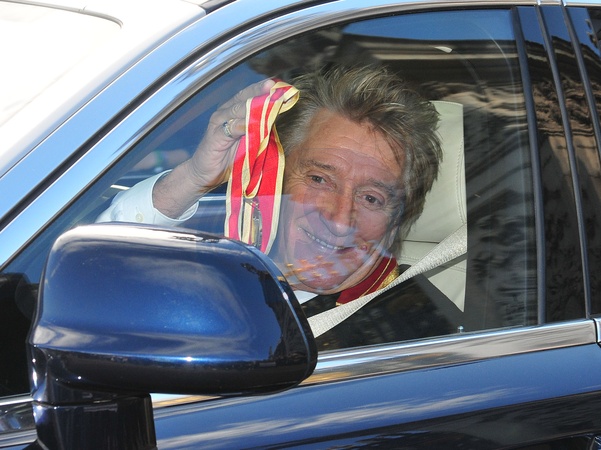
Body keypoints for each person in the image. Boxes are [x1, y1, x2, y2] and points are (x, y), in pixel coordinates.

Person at [98, 65, 462, 349]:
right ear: (273, 179)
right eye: (319, 179)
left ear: (396, 220)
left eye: (371, 198)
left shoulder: (416, 330)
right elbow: (97, 279)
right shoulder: (213, 252)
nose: (340, 220)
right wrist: (193, 177)